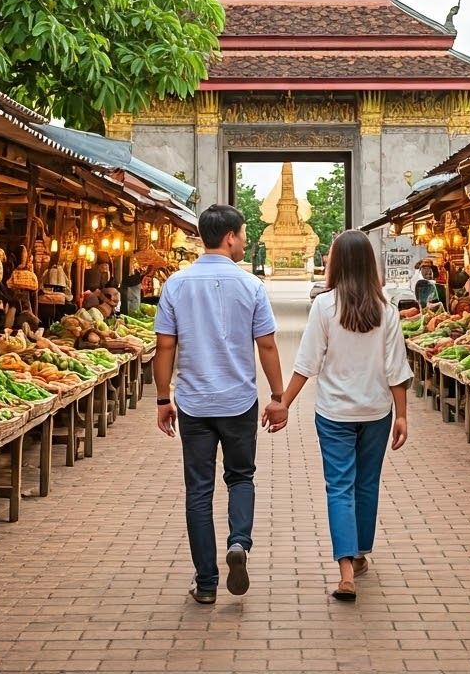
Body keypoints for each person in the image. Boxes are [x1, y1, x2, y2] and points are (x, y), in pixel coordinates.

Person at [264, 230, 412, 602]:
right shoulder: (387, 311)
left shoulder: (325, 306)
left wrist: (284, 402)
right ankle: (359, 553)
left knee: (340, 487)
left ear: (338, 263)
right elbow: (397, 369)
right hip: (377, 411)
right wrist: (402, 416)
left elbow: (306, 363)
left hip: (334, 413)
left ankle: (346, 570)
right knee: (366, 484)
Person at [153, 204, 284, 605]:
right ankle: (239, 543)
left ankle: (207, 583)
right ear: (229, 237)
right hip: (239, 400)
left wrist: (163, 398)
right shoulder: (251, 287)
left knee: (199, 491)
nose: (245, 241)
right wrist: (278, 396)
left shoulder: (177, 284)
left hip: (193, 402)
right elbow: (266, 344)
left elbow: (164, 346)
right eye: (243, 234)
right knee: (241, 478)